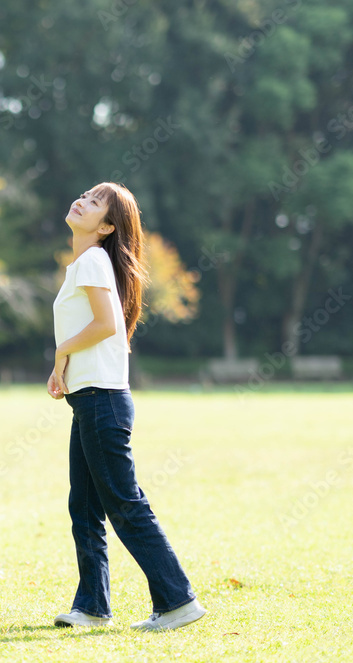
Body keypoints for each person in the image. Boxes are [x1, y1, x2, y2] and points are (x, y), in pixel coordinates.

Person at [47, 182, 206, 632]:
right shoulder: (84, 263)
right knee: (85, 507)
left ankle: (178, 600)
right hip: (89, 399)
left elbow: (106, 325)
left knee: (124, 504)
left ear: (108, 226)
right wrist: (63, 371)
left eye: (96, 202)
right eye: (85, 195)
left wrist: (61, 355)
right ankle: (92, 607)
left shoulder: (93, 261)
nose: (82, 200)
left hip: (102, 402)